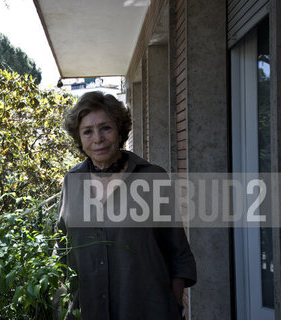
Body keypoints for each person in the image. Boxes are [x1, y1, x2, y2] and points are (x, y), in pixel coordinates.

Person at [57, 91, 196, 319]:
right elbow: (61, 246)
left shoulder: (152, 177)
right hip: (88, 311)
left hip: (147, 309)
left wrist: (172, 302)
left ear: (120, 130)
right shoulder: (71, 181)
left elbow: (177, 251)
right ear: (79, 138)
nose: (98, 138)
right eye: (88, 131)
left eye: (106, 128)